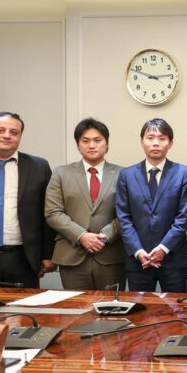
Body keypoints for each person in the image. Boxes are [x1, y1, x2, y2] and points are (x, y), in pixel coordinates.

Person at [44, 118, 126, 290]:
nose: (92, 145)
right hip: (71, 255)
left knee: (110, 305)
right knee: (76, 305)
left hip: (111, 255)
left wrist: (105, 236)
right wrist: (81, 235)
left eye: (97, 140)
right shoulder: (61, 173)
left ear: (107, 143)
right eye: (85, 141)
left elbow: (129, 213)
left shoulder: (124, 174)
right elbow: (53, 212)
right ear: (77, 144)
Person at [115, 118, 187, 293]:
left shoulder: (184, 173)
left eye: (162, 138)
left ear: (170, 143)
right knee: (140, 309)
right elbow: (123, 217)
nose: (156, 143)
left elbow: (183, 216)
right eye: (150, 138)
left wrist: (163, 248)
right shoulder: (127, 175)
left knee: (176, 308)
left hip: (173, 258)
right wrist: (138, 251)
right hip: (138, 260)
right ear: (142, 142)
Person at [0, 111, 54, 288]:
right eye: (0, 130)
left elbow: (47, 214)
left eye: (14, 132)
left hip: (24, 258)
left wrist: (48, 254)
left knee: (25, 306)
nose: (7, 136)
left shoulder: (39, 167)